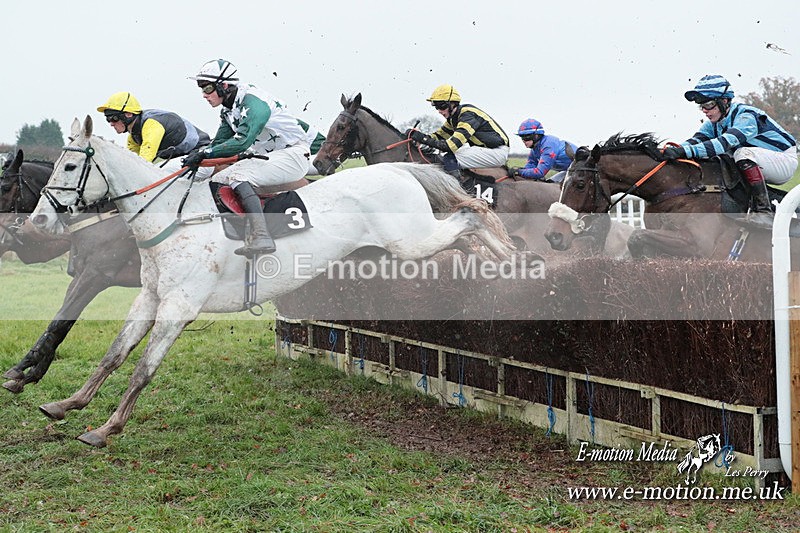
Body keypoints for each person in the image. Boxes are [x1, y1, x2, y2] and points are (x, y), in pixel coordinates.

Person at [184, 59, 312, 256]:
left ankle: (262, 236)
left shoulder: (253, 103)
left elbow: (242, 142)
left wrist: (205, 153)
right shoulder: (228, 109)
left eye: (207, 88)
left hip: (293, 155)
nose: (204, 95)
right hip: (271, 157)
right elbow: (219, 143)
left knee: (238, 176)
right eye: (201, 89)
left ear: (224, 85)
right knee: (219, 178)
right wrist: (197, 156)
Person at [663, 74, 797, 226]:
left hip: (784, 160)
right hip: (761, 161)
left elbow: (723, 143)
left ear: (724, 101)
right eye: (702, 106)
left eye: (708, 105)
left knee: (739, 153)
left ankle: (763, 211)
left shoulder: (746, 116)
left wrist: (685, 152)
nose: (705, 111)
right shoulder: (714, 123)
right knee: (721, 159)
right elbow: (694, 142)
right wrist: (669, 152)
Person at [404, 84, 509, 178]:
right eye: (437, 107)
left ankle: (461, 191)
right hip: (486, 151)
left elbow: (450, 146)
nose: (440, 111)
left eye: (442, 106)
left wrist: (422, 138)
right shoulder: (454, 118)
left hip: (497, 152)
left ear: (452, 104)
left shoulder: (467, 115)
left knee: (449, 157)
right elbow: (438, 136)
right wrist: (416, 135)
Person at [97, 92, 211, 165]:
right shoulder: (133, 137)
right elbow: (131, 164)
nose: (111, 124)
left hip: (202, 152)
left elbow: (143, 163)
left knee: (161, 172)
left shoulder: (151, 124)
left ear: (128, 114)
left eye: (114, 118)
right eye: (108, 119)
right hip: (184, 157)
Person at [508, 118, 576, 183]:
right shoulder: (535, 148)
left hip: (581, 171)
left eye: (527, 137)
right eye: (522, 137)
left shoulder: (548, 145)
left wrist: (519, 171)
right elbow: (531, 165)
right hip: (568, 170)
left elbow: (540, 172)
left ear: (537, 135)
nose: (524, 140)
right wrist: (519, 170)